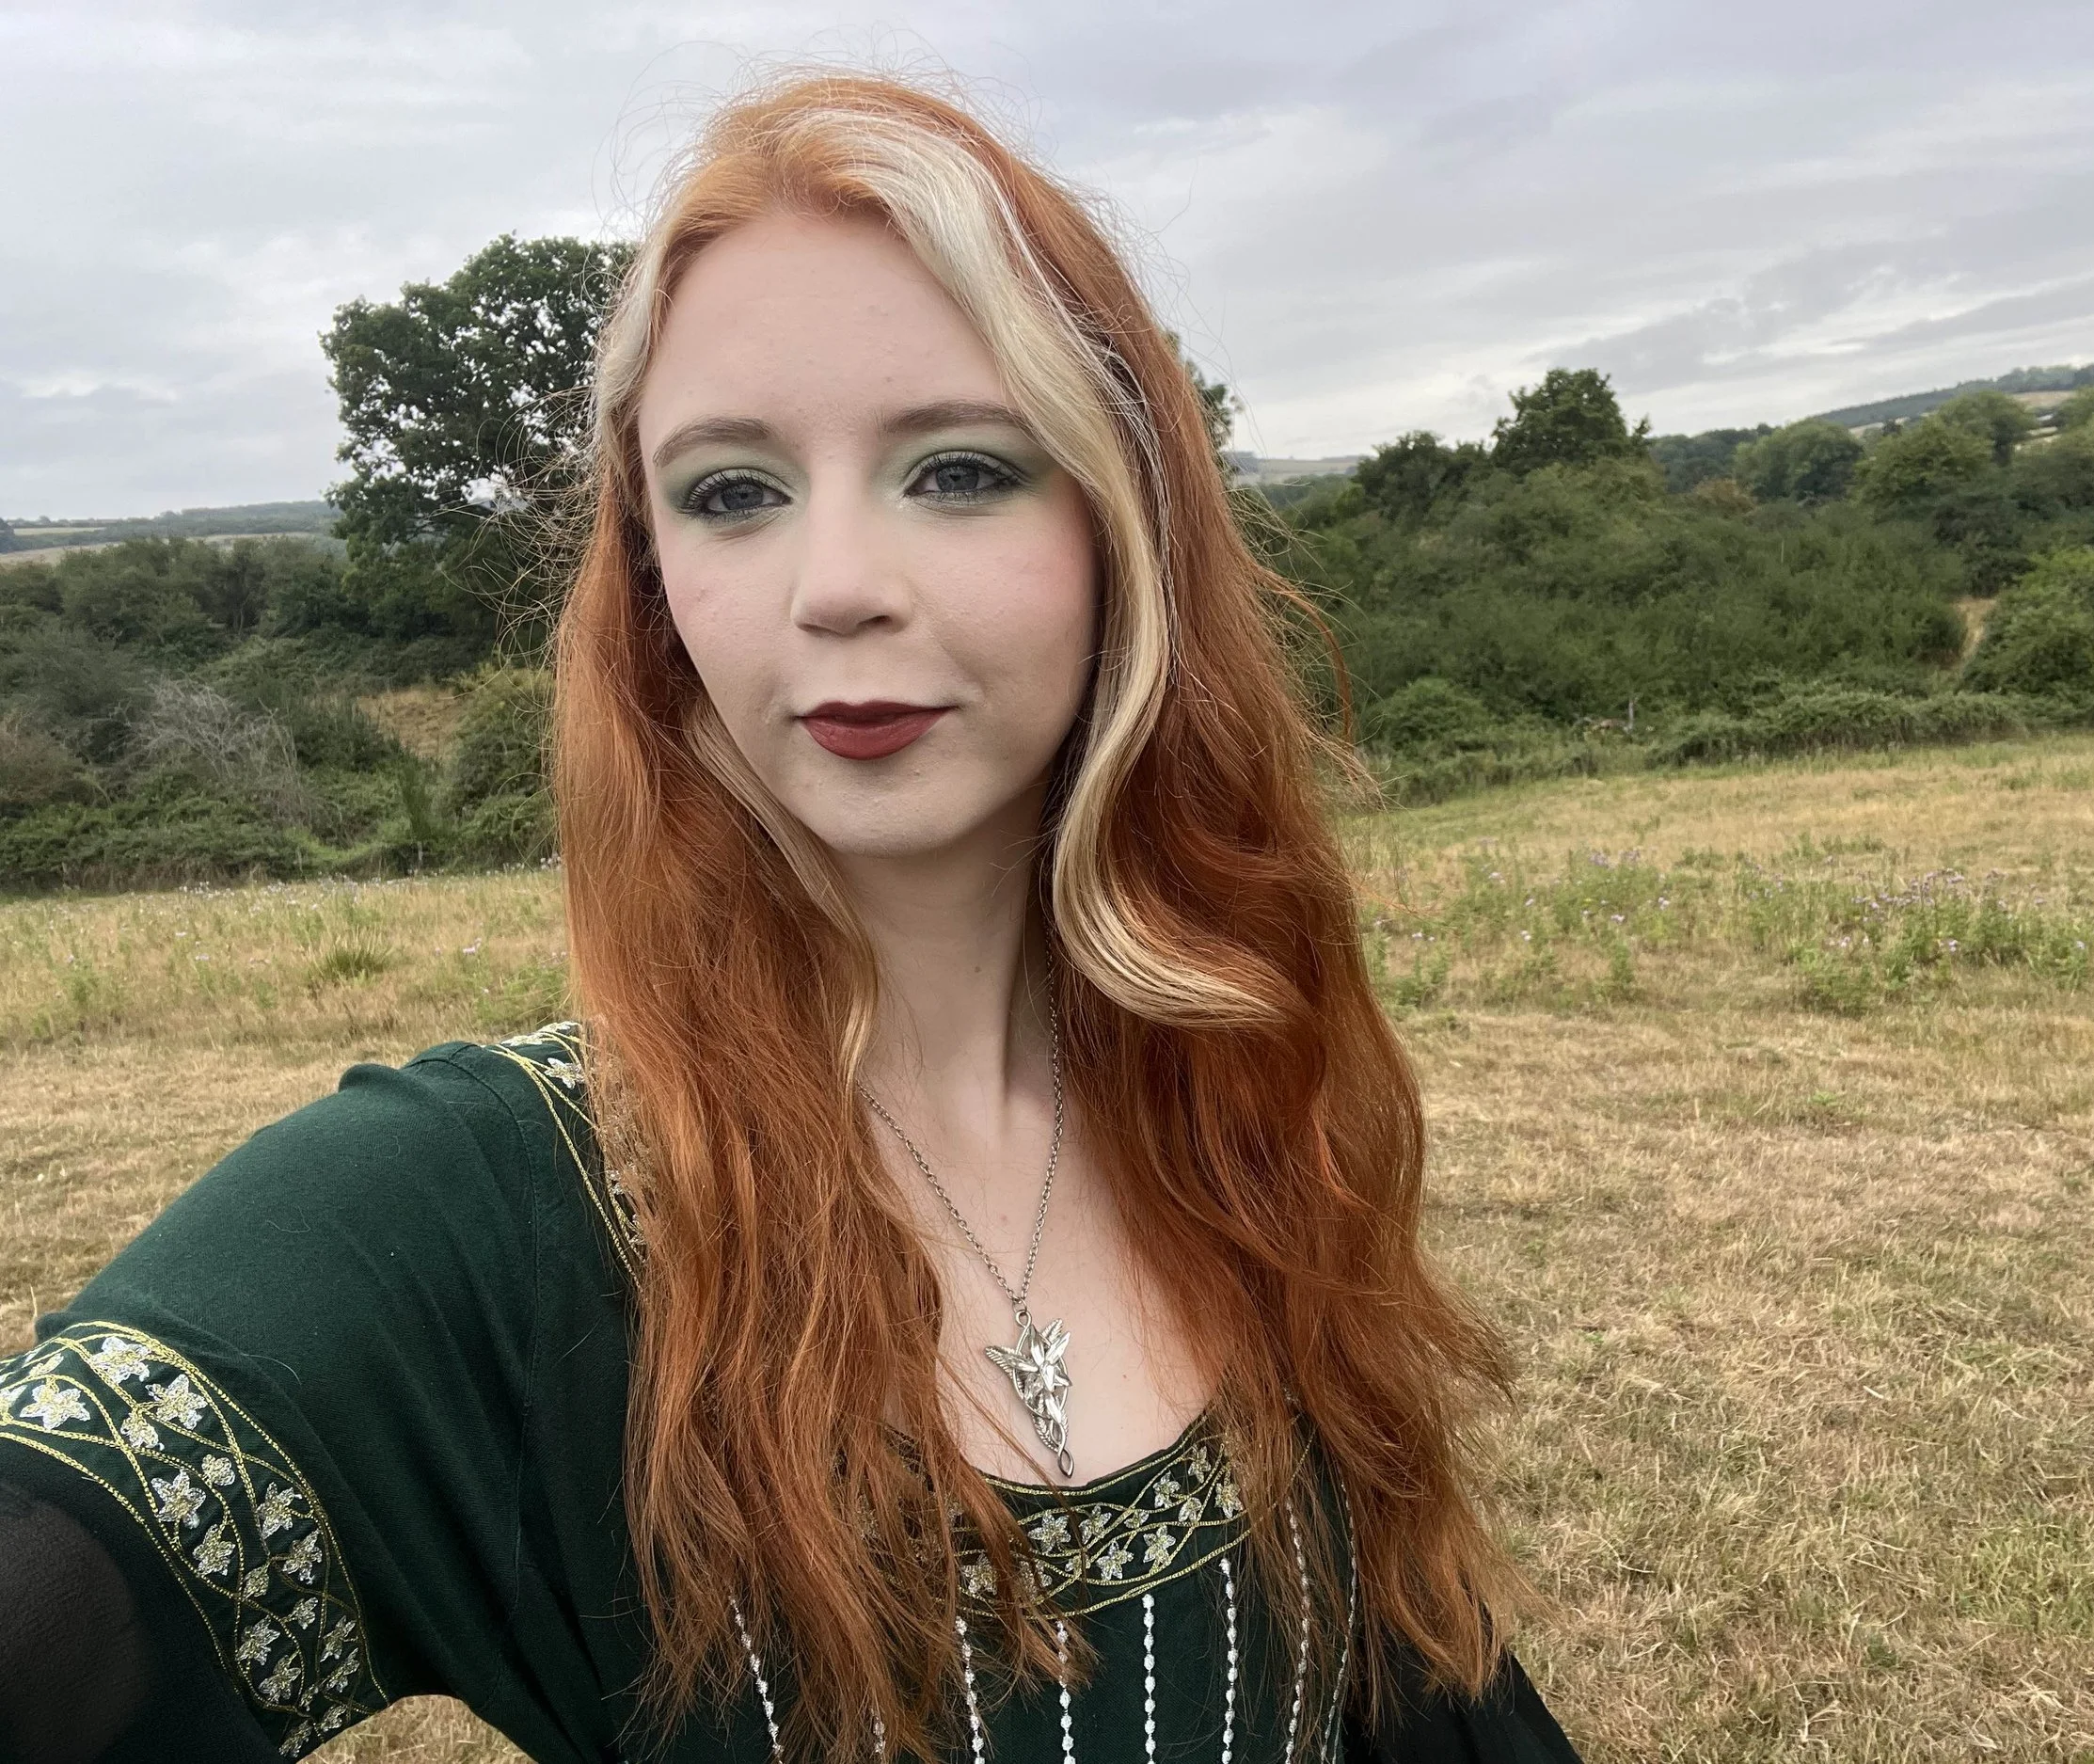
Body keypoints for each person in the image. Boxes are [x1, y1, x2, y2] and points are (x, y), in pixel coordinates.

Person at [0, 73, 1581, 1764]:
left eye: (960, 467)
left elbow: (1421, 1675)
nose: (835, 582)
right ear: (655, 583)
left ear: (1122, 527)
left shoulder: (1238, 1092)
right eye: (732, 490)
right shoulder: (502, 1211)